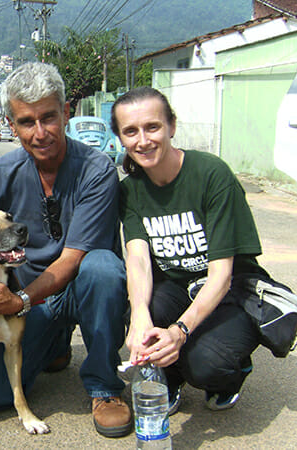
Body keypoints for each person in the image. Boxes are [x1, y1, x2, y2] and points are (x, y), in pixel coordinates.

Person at [0, 62, 131, 438]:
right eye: (27, 122)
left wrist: (18, 300)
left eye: (49, 118)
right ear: (11, 124)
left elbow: (73, 258)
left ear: (66, 113)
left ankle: (104, 386)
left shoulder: (97, 169)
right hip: (29, 303)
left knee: (103, 267)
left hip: (74, 287)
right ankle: (53, 344)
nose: (40, 133)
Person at [112, 86, 274, 415]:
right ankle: (168, 378)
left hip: (229, 289)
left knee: (204, 363)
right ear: (120, 138)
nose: (143, 140)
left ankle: (231, 372)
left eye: (152, 127)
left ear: (172, 126)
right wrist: (140, 315)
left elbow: (221, 274)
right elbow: (139, 259)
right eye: (131, 131)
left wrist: (180, 331)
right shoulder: (130, 190)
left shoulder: (211, 174)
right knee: (141, 311)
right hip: (175, 285)